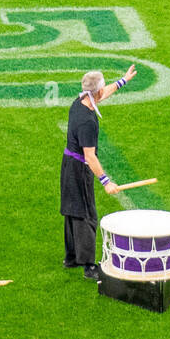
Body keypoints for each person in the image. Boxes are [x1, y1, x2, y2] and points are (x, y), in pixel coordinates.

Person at [60, 67, 135, 278]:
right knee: (86, 214)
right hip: (79, 168)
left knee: (72, 209)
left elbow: (102, 94)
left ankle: (71, 257)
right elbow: (90, 157)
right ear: (97, 91)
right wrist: (105, 181)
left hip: (68, 164)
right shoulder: (88, 122)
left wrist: (123, 81)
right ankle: (88, 266)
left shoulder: (79, 103)